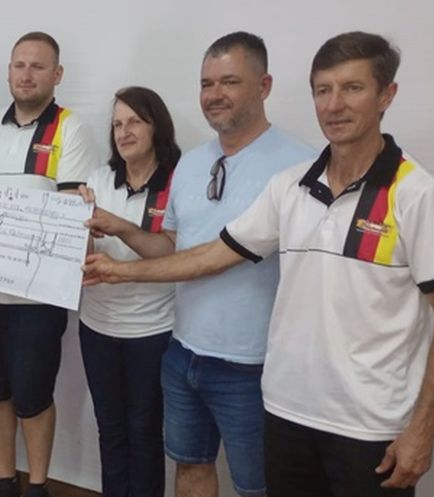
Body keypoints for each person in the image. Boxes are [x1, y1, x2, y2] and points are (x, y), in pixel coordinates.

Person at [83, 31, 434, 497]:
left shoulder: (419, 194)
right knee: (195, 467)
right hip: (282, 404)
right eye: (323, 90)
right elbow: (212, 255)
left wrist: (424, 427)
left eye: (352, 88)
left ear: (386, 95)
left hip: (362, 419)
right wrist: (117, 270)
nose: (334, 105)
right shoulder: (293, 185)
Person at [85, 32, 313, 497]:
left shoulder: (300, 167)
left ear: (264, 85)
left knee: (256, 486)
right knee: (189, 469)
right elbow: (172, 248)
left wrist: (119, 270)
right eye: (207, 83)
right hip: (182, 352)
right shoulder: (191, 166)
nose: (214, 94)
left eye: (230, 81)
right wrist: (118, 229)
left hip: (253, 364)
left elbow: (214, 259)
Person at [0, 31, 98, 497]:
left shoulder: (71, 129)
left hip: (36, 300)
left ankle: (37, 485)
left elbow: (67, 217)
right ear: (9, 72)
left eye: (38, 66)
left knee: (33, 398)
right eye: (19, 65)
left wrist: (5, 266)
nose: (27, 74)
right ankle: (5, 479)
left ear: (57, 75)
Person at [76, 86, 180, 497]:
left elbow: (170, 253)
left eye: (134, 121)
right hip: (97, 327)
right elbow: (82, 255)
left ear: (157, 126)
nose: (124, 131)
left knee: (144, 430)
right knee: (111, 428)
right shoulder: (99, 179)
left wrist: (119, 226)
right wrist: (76, 227)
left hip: (152, 332)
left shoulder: (177, 181)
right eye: (117, 124)